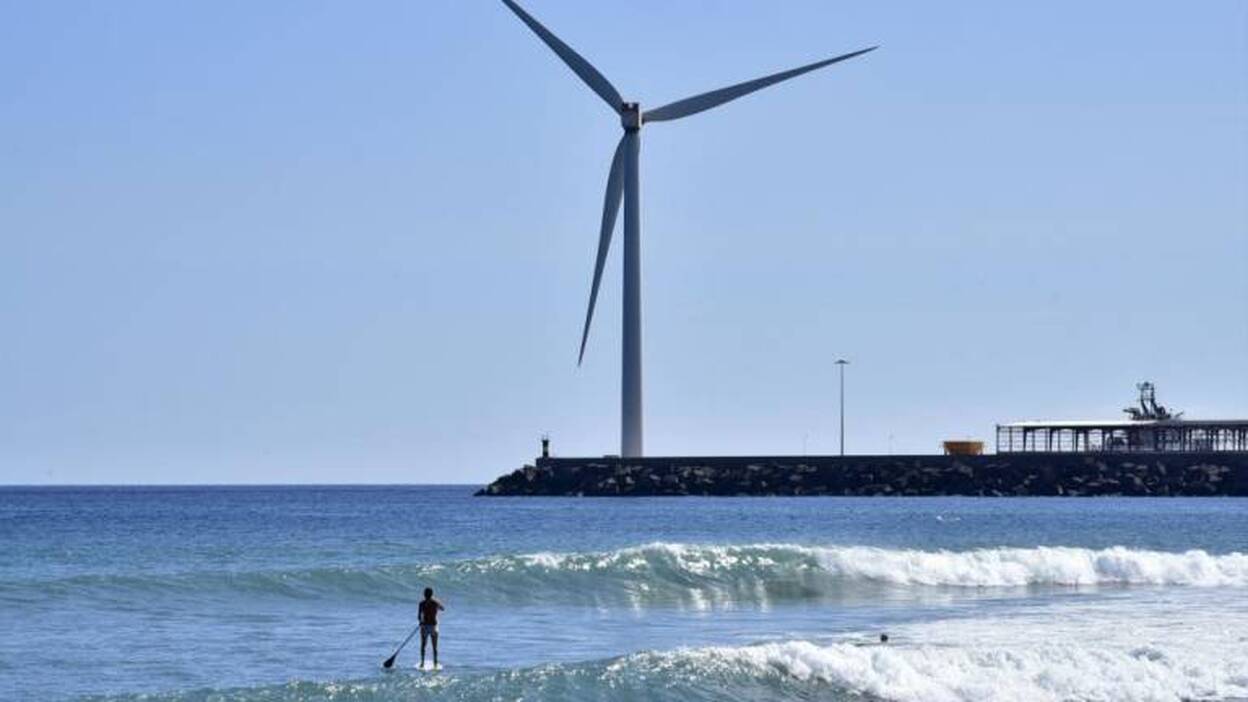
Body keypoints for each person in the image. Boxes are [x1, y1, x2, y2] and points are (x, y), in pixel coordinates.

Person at [418, 587, 445, 669]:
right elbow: (443, 608)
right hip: (433, 626)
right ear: (431, 594)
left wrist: (421, 622)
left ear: (424, 594)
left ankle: (422, 663)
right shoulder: (435, 603)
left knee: (423, 646)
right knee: (434, 647)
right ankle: (435, 664)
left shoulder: (421, 603)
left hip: (425, 626)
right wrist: (436, 601)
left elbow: (419, 616)